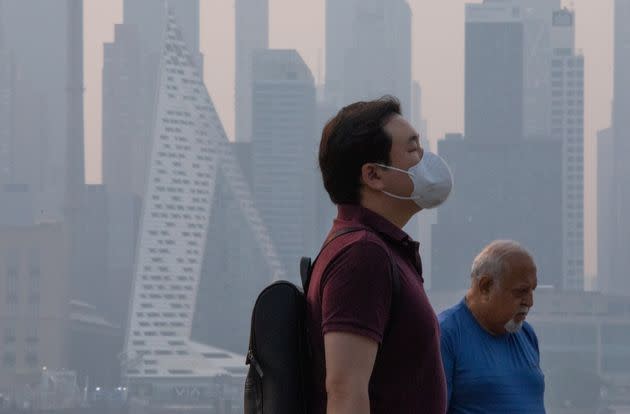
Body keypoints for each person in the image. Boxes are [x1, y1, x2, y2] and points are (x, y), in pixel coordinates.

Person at [306, 96, 452, 414]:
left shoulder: (377, 250)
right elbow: (345, 391)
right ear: (373, 175)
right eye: (413, 150)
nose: (425, 159)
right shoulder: (362, 255)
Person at [439, 240, 545, 414]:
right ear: (485, 286)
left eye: (532, 290)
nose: (530, 302)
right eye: (520, 292)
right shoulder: (445, 335)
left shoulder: (526, 334)